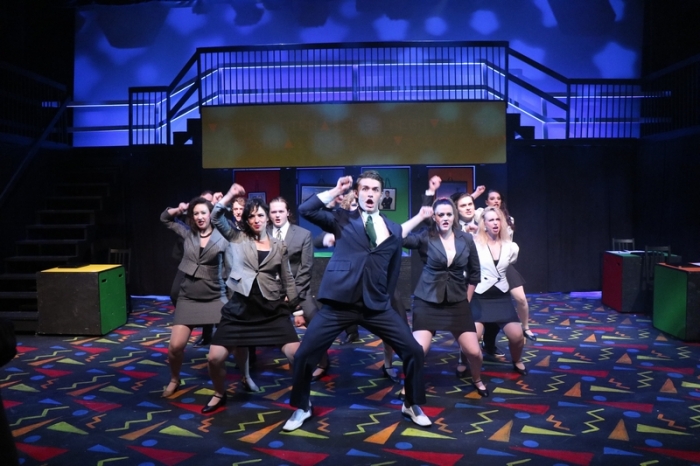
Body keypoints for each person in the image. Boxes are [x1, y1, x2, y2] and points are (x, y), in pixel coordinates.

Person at [284, 172, 431, 432]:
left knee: (414, 351)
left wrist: (384, 297)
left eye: (375, 189)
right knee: (305, 353)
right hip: (339, 303)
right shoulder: (343, 218)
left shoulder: (394, 229)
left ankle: (411, 403)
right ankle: (302, 406)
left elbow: (393, 270)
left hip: (376, 306)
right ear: (357, 192)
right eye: (365, 188)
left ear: (381, 195)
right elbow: (306, 210)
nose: (370, 193)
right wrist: (335, 191)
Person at [203, 186, 300, 414]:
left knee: (297, 355)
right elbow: (215, 216)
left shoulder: (279, 245)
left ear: (267, 218)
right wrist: (229, 195)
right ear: (246, 220)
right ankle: (219, 394)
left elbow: (288, 277)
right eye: (252, 216)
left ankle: (300, 396)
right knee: (214, 358)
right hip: (240, 308)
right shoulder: (237, 237)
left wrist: (297, 309)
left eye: (260, 215)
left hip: (270, 308)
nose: (256, 220)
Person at [401, 198, 487, 396]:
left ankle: (477, 379)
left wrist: (466, 299)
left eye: (449, 214)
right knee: (418, 350)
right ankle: (409, 383)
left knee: (474, 352)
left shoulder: (466, 239)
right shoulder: (425, 236)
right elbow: (400, 237)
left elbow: (474, 273)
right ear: (434, 217)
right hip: (427, 301)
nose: (446, 218)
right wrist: (418, 217)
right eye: (441, 214)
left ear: (454, 216)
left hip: (457, 303)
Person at [160, 196, 229, 397]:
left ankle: (244, 375)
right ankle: (175, 379)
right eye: (195, 213)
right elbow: (165, 218)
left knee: (234, 345)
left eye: (203, 213)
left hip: (216, 296)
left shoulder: (223, 235)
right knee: (175, 347)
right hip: (188, 296)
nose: (199, 217)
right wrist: (178, 209)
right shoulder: (188, 233)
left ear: (211, 215)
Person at [268, 196, 327, 381]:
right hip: (271, 290)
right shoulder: (263, 233)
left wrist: (292, 295)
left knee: (316, 325)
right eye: (273, 212)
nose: (277, 215)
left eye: (281, 211)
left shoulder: (303, 234)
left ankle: (323, 362)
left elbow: (306, 268)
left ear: (288, 212)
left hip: (299, 289)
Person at [471, 206, 527, 376]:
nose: (495, 223)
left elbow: (510, 265)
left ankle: (517, 361)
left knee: (517, 336)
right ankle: (463, 361)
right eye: (491, 220)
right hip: (480, 297)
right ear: (484, 224)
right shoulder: (474, 244)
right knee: (472, 336)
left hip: (501, 297)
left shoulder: (511, 247)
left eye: (497, 220)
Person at [475, 190, 536, 344]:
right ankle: (484, 339)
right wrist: (475, 194)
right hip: (486, 263)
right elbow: (466, 209)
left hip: (503, 262)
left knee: (521, 298)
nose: (496, 201)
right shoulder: (480, 214)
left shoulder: (508, 219)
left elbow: (509, 244)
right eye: (492, 198)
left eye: (498, 198)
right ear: (486, 202)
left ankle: (525, 327)